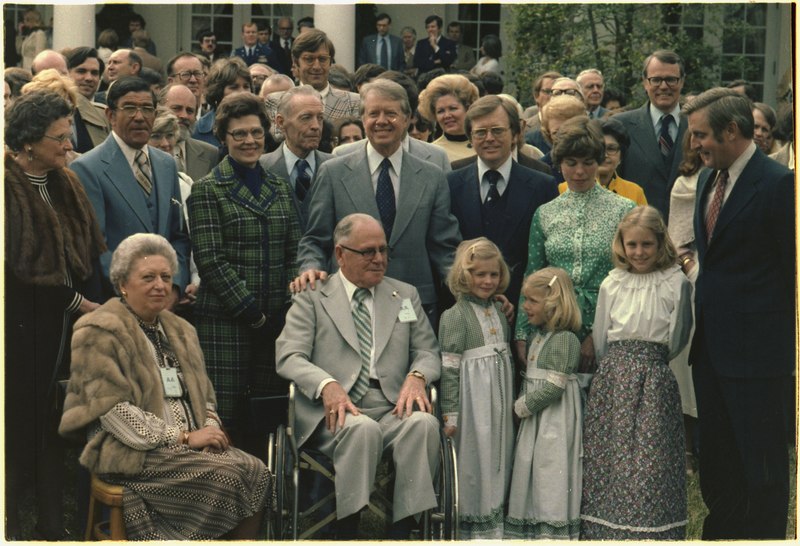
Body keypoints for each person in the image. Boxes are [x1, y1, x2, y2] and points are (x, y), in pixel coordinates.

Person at [58, 233, 272, 539]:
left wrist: (210, 428)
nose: (160, 285)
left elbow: (205, 394)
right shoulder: (99, 329)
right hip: (130, 451)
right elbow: (111, 412)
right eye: (148, 277)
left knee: (257, 472)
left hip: (190, 447)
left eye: (165, 277)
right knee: (228, 476)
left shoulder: (180, 328)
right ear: (122, 284)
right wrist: (184, 437)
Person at [276, 213, 442, 539]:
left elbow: (426, 350)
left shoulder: (404, 296)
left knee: (424, 424)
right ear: (340, 254)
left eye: (383, 250)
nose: (379, 259)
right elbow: (289, 356)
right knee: (362, 430)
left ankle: (405, 527)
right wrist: (327, 384)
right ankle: (349, 529)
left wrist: (418, 376)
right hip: (332, 412)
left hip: (392, 405)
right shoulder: (313, 295)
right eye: (368, 251)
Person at [685, 88, 794, 539]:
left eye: (700, 135)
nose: (695, 146)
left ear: (732, 130)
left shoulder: (779, 184)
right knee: (719, 467)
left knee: (762, 470)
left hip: (759, 360)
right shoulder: (711, 180)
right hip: (710, 353)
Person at [5, 91, 105, 540]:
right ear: (27, 142)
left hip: (69, 330)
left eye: (70, 137)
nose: (69, 147)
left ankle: (53, 525)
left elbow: (84, 259)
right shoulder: (7, 186)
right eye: (60, 139)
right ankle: (12, 522)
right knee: (20, 426)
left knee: (55, 425)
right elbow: (14, 273)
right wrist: (75, 304)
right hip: (22, 332)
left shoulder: (66, 182)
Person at [295, 79, 461, 326]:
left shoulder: (431, 176)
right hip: (348, 304)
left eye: (391, 113)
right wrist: (309, 268)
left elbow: (444, 247)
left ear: (406, 119)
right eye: (373, 113)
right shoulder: (333, 173)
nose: (381, 120)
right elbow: (315, 240)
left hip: (413, 305)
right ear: (363, 119)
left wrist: (471, 289)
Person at [187, 93, 301, 445]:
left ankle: (265, 494)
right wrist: (252, 313)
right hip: (227, 322)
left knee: (268, 416)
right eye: (239, 134)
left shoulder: (280, 188)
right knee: (225, 415)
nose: (250, 141)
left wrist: (284, 307)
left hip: (277, 322)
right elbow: (210, 260)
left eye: (256, 133)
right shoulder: (207, 190)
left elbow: (294, 252)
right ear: (223, 138)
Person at [581, 206, 692, 539]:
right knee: (611, 458)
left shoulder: (675, 282)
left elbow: (678, 337)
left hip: (654, 378)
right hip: (613, 379)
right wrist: (620, 366)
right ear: (621, 245)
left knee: (650, 461)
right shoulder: (612, 282)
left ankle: (651, 531)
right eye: (632, 245)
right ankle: (607, 531)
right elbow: (601, 337)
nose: (639, 252)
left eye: (647, 245)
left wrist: (647, 362)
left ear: (661, 244)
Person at [514, 116, 634, 374]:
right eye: (571, 163)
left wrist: (596, 335)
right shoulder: (545, 213)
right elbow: (533, 274)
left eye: (588, 163)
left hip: (608, 324)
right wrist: (522, 333)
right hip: (553, 325)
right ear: (559, 164)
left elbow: (628, 278)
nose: (579, 171)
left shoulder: (623, 210)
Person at [70, 76, 191, 301]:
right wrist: (136, 294)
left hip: (163, 302)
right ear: (110, 115)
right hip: (117, 302)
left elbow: (178, 236)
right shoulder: (87, 168)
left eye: (147, 108)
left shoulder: (166, 164)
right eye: (129, 108)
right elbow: (96, 248)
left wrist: (173, 287)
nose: (139, 116)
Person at [448, 94, 557, 319]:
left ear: (515, 134)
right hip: (463, 312)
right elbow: (445, 246)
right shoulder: (450, 183)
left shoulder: (541, 185)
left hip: (524, 311)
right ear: (470, 136)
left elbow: (547, 253)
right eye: (480, 132)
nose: (489, 138)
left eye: (497, 131)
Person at [439, 238, 514, 539]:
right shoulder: (455, 316)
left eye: (493, 275)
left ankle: (496, 524)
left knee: (497, 456)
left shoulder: (498, 310)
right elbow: (450, 369)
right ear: (463, 275)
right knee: (475, 459)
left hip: (498, 399)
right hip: (473, 404)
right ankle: (473, 530)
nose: (487, 281)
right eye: (479, 274)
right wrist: (451, 413)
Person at [505, 267, 583, 540]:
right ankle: (530, 528)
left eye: (532, 301)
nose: (525, 306)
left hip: (554, 420)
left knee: (551, 469)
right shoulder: (538, 337)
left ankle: (551, 531)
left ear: (553, 303)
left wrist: (520, 407)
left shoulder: (565, 340)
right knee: (532, 467)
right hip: (537, 420)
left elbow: (554, 387)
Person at [667, 132, 703, 475]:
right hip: (692, 279)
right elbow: (677, 241)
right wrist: (692, 268)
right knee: (686, 365)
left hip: (728, 276)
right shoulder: (685, 183)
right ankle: (688, 448)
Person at [615, 50, 688, 217]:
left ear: (682, 82)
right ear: (645, 82)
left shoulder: (698, 127)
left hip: (686, 232)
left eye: (671, 79)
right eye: (656, 80)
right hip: (636, 230)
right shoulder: (621, 126)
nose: (663, 86)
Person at [259, 85, 332, 229]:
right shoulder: (260, 168)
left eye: (320, 118)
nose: (316, 126)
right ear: (280, 122)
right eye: (306, 118)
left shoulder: (336, 167)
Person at [265, 30, 361, 130]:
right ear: (295, 62)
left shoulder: (354, 102)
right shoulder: (276, 101)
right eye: (309, 59)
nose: (316, 66)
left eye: (322, 59)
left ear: (330, 62)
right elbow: (278, 137)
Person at [557, 118, 647, 205]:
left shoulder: (634, 192)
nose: (604, 155)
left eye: (611, 149)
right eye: (600, 148)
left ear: (621, 156)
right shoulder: (563, 189)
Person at [159, 83, 218, 181]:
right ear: (160, 108)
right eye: (177, 108)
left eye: (190, 111)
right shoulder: (146, 148)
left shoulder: (210, 153)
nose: (184, 115)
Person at [418, 74, 479, 163]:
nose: (447, 115)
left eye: (453, 108)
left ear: (467, 108)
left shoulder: (484, 143)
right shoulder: (431, 153)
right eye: (440, 111)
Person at [192, 57, 251, 149]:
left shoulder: (261, 128)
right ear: (218, 92)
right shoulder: (197, 131)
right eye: (234, 87)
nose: (242, 92)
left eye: (246, 86)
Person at [66, 47, 110, 153]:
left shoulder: (106, 114)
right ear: (67, 73)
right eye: (81, 71)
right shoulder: (54, 111)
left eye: (94, 73)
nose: (89, 78)